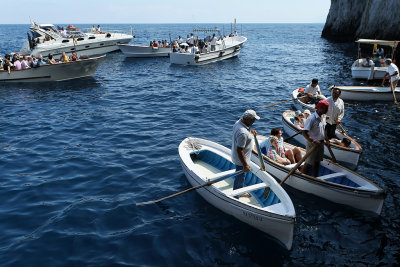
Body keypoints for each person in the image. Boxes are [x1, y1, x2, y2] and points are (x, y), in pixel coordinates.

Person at [231, 109, 260, 198]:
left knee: (240, 177)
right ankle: (236, 195)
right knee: (240, 178)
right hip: (241, 161)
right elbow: (239, 150)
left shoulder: (238, 122)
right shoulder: (243, 133)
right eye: (253, 120)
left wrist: (250, 131)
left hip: (238, 158)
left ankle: (239, 191)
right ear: (248, 119)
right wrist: (245, 165)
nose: (253, 121)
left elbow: (245, 131)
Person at [301, 100, 330, 177]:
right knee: (308, 162)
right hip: (312, 144)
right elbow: (304, 133)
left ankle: (316, 177)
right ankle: (302, 176)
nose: (327, 111)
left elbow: (323, 129)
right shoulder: (311, 118)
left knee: (317, 162)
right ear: (320, 108)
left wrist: (327, 140)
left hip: (320, 143)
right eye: (326, 109)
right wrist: (313, 141)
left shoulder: (323, 117)